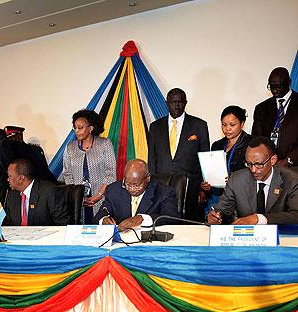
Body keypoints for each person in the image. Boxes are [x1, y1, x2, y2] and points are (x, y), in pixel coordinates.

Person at [148, 88, 210, 221]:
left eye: (180, 102)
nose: (176, 105)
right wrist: (151, 188)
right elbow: (152, 159)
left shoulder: (199, 125)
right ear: (166, 103)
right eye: (172, 102)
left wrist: (203, 190)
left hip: (191, 189)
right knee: (163, 225)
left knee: (192, 229)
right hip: (162, 188)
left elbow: (205, 159)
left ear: (185, 103)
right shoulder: (155, 127)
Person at [207, 137, 298, 225]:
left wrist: (259, 218)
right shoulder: (237, 179)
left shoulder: (291, 179)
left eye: (259, 164)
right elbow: (222, 210)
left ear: (273, 160)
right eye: (249, 164)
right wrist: (215, 217)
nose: (253, 170)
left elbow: (295, 215)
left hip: (282, 236)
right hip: (247, 237)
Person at [94, 159, 178, 231]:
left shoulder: (164, 192)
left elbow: (171, 218)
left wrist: (142, 218)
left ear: (148, 178)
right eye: (127, 184)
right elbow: (101, 213)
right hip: (121, 242)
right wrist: (103, 220)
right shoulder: (113, 190)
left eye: (137, 185)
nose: (131, 189)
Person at [63, 109, 116, 223]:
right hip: (78, 201)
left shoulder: (105, 144)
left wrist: (99, 195)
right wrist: (76, 196)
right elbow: (67, 174)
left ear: (91, 128)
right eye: (75, 127)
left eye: (80, 127)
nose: (76, 131)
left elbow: (110, 173)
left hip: (101, 199)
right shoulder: (70, 148)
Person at [201, 106, 251, 213]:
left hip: (240, 198)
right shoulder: (217, 145)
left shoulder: (251, 144)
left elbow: (254, 172)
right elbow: (212, 172)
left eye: (232, 125)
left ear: (242, 124)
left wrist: (234, 179)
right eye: (224, 124)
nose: (227, 128)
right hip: (217, 196)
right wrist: (206, 184)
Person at [251, 67, 298, 167]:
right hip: (268, 167)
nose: (275, 90)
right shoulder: (261, 108)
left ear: (289, 82)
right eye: (271, 86)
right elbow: (257, 138)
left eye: (278, 86)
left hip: (294, 166)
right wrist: (265, 161)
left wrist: (289, 160)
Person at [3, 159, 70, 226]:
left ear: (21, 178)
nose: (7, 179)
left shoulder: (50, 192)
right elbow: (9, 224)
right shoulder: (11, 196)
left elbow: (63, 224)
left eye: (10, 176)